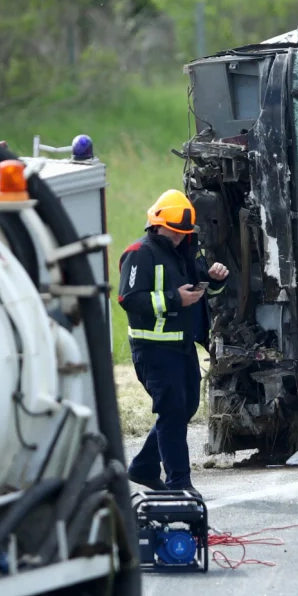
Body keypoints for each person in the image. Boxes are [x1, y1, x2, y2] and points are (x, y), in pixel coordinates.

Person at [118, 189, 228, 496]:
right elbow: (129, 299)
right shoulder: (139, 253)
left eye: (183, 232)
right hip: (153, 349)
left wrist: (215, 278)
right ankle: (179, 483)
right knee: (172, 412)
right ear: (156, 225)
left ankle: (144, 467)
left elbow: (203, 289)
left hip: (182, 346)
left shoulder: (186, 252)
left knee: (185, 407)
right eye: (174, 231)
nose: (179, 237)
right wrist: (173, 299)